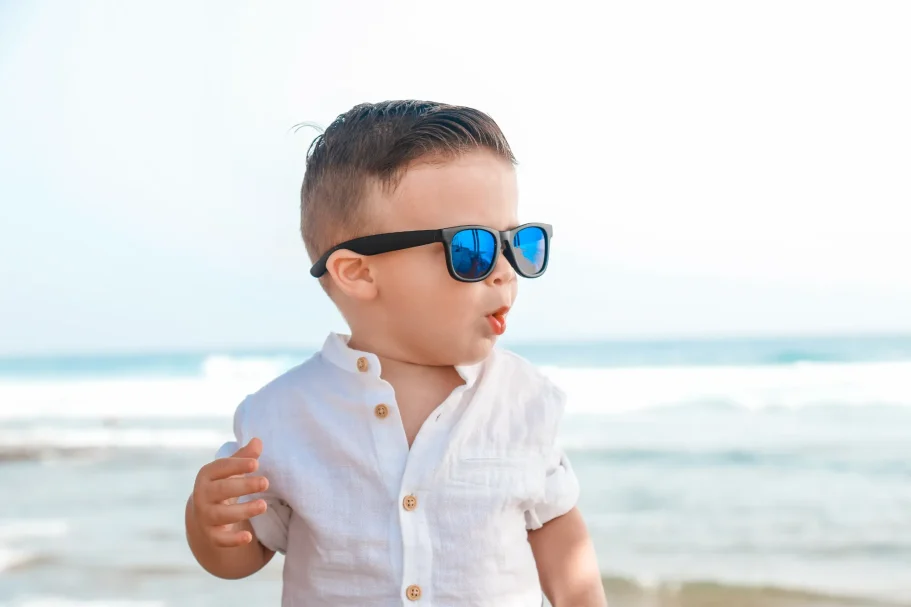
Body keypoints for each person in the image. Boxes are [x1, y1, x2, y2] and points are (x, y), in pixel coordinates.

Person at [184, 100, 606, 606]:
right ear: (359, 273)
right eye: (472, 249)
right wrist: (211, 525)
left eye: (518, 243)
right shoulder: (283, 415)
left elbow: (559, 533)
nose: (504, 270)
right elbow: (242, 557)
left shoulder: (524, 400)